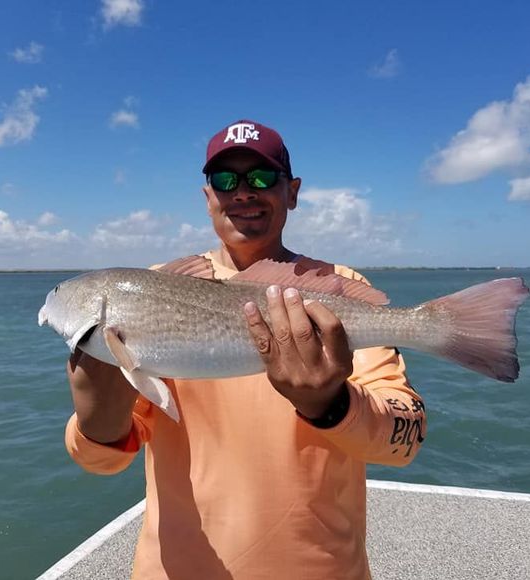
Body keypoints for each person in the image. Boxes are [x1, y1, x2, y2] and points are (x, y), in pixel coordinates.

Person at [65, 120, 427, 579]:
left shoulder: (341, 290)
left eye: (261, 178)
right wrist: (97, 406)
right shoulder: (150, 290)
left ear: (291, 192)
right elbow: (102, 461)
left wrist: (332, 405)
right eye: (225, 180)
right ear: (207, 197)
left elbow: (405, 439)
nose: (243, 192)